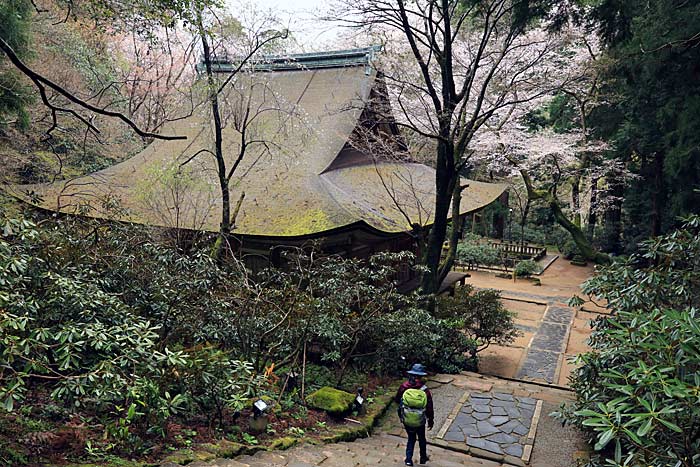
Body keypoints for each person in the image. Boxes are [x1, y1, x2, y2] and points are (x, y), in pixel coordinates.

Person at [396, 363, 434, 466]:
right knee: (422, 438)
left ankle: (408, 460)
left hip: (407, 418)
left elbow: (397, 400)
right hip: (420, 420)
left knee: (411, 438)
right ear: (421, 376)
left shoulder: (404, 386)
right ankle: (423, 458)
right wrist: (431, 420)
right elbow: (429, 407)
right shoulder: (425, 390)